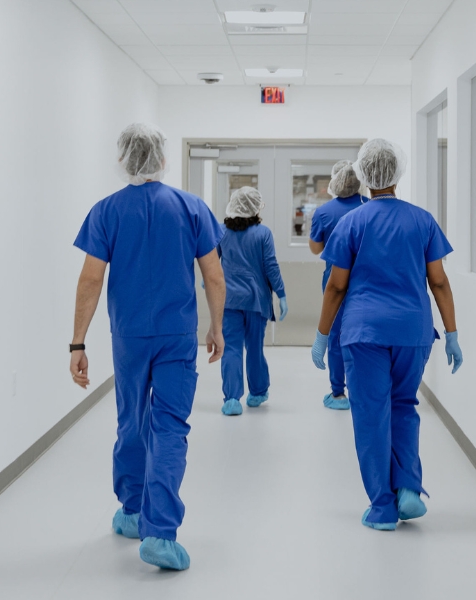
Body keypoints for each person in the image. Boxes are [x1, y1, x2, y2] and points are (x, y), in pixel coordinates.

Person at [71, 123, 226, 570]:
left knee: (132, 421)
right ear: (162, 159)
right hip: (178, 335)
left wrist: (77, 342)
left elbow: (90, 280)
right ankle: (160, 533)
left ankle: (133, 510)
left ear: (123, 159)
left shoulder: (106, 212)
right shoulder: (191, 208)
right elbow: (214, 276)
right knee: (171, 426)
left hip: (130, 337)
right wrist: (216, 327)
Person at [311, 139, 464, 531]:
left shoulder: (352, 223)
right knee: (403, 405)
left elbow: (336, 287)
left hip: (364, 334)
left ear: (364, 174)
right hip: (413, 332)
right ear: (398, 172)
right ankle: (409, 487)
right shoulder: (422, 220)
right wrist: (451, 333)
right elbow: (440, 283)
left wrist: (322, 335)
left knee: (370, 416)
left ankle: (382, 506)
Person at [216, 186, 288, 416]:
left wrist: (208, 285)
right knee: (255, 348)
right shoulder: (263, 233)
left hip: (228, 300)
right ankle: (257, 392)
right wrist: (282, 294)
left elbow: (211, 262)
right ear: (255, 208)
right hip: (257, 301)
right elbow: (271, 267)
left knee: (231, 348)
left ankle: (231, 400)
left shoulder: (220, 231)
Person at [308, 160, 367, 411]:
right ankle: (363, 390)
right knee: (364, 335)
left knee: (335, 336)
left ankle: (338, 393)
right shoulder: (370, 208)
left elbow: (315, 248)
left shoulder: (324, 212)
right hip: (367, 282)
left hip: (335, 279)